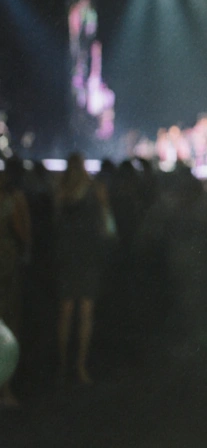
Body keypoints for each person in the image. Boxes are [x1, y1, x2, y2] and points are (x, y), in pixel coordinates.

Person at [53, 152, 115, 386]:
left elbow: (56, 223)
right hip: (88, 256)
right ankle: (80, 365)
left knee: (65, 312)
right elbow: (106, 221)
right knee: (86, 313)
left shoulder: (62, 191)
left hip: (68, 257)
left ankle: (62, 365)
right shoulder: (95, 189)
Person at [1, 167, 32, 407]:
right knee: (9, 323)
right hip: (6, 264)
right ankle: (5, 389)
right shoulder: (11, 200)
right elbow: (23, 233)